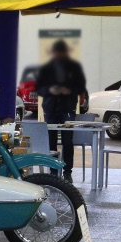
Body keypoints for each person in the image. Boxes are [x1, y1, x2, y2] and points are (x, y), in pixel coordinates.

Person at [36, 39, 87, 169]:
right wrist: (50, 90)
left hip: (67, 109)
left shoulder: (74, 68)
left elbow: (81, 88)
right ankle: (53, 170)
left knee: (67, 141)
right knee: (51, 140)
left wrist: (69, 91)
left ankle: (67, 170)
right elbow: (39, 89)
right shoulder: (46, 68)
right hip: (50, 108)